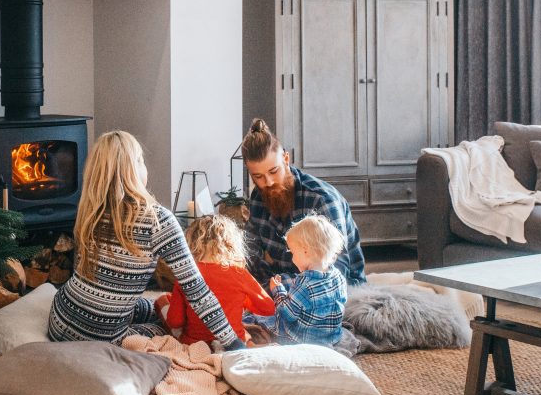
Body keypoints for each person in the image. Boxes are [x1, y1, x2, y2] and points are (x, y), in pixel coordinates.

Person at [48, 130, 245, 351]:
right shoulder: (157, 219)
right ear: (133, 169)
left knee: (151, 306)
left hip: (60, 318)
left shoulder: (91, 212)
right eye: (141, 160)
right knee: (167, 327)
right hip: (100, 338)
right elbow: (196, 289)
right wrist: (234, 343)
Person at [242, 118, 367, 286]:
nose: (268, 182)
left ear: (286, 159)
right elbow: (250, 254)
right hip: (284, 287)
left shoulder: (321, 199)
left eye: (274, 171)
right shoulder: (258, 197)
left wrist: (282, 286)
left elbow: (336, 270)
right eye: (258, 176)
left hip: (334, 290)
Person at [162, 214, 275, 346]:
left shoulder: (187, 275)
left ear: (190, 243)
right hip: (234, 343)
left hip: (194, 344)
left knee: (162, 300)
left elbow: (175, 321)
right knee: (253, 333)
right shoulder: (239, 273)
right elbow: (268, 308)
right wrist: (241, 300)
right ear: (231, 244)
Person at [246, 214, 348, 347]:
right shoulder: (337, 276)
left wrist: (278, 290)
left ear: (306, 252)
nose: (292, 258)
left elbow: (288, 314)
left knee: (259, 317)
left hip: (300, 339)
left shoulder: (304, 283)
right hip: (330, 336)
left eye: (293, 252)